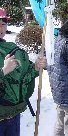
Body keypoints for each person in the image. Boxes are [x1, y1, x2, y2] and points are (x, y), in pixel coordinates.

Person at [0, 8, 47, 136]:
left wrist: (36, 68)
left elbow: (23, 77)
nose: (1, 28)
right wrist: (4, 71)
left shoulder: (12, 49)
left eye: (3, 24)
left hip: (13, 114)